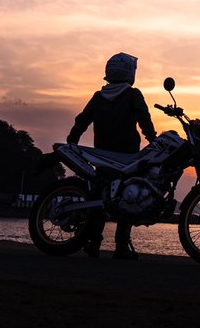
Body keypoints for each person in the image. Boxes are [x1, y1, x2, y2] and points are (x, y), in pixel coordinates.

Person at [67, 52, 157, 260]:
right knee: (128, 197)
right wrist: (153, 140)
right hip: (128, 156)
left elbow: (82, 120)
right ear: (130, 73)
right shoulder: (133, 95)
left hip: (102, 156)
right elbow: (145, 120)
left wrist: (72, 141)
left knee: (100, 197)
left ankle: (93, 243)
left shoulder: (98, 97)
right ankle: (121, 246)